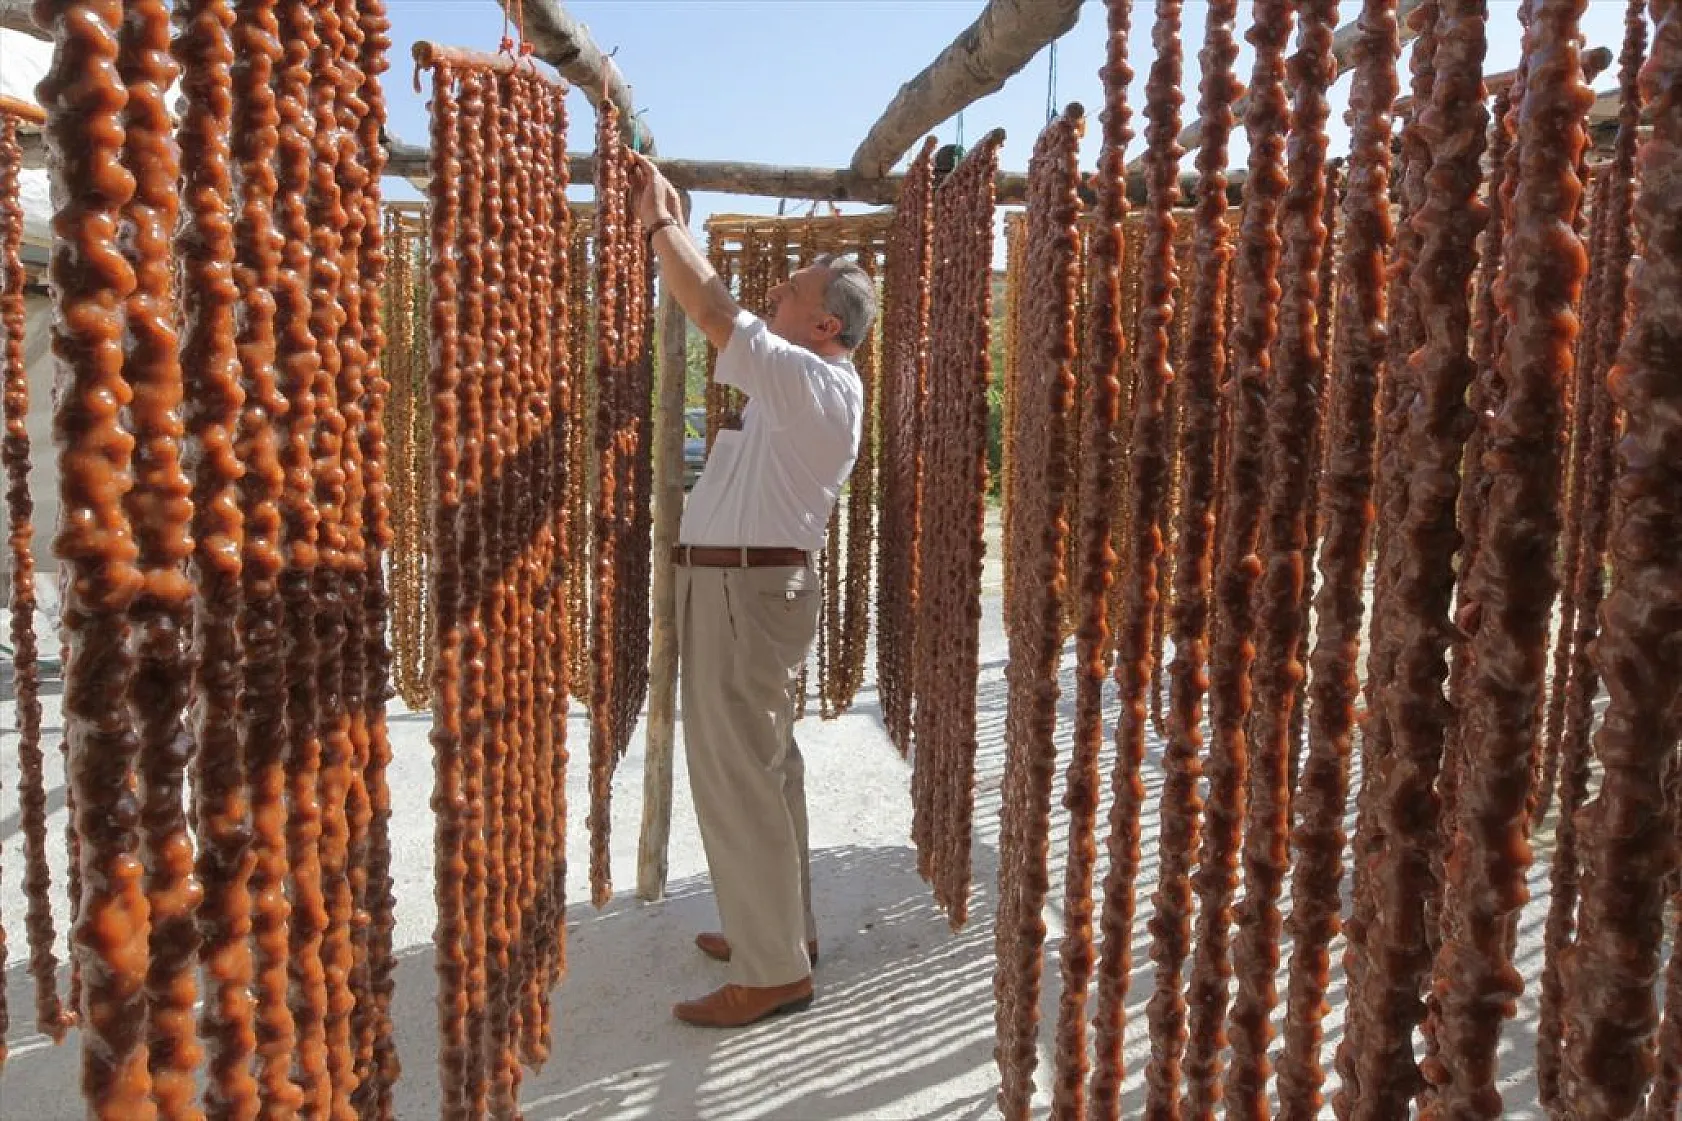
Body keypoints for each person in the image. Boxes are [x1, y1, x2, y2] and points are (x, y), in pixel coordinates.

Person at [627, 153, 877, 1029]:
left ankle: (775, 970)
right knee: (766, 768)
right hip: (745, 590)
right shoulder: (804, 386)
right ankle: (780, 933)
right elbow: (728, 315)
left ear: (825, 324)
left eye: (790, 294)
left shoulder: (813, 383)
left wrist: (662, 225)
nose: (774, 296)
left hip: (746, 594)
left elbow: (711, 310)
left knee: (738, 771)